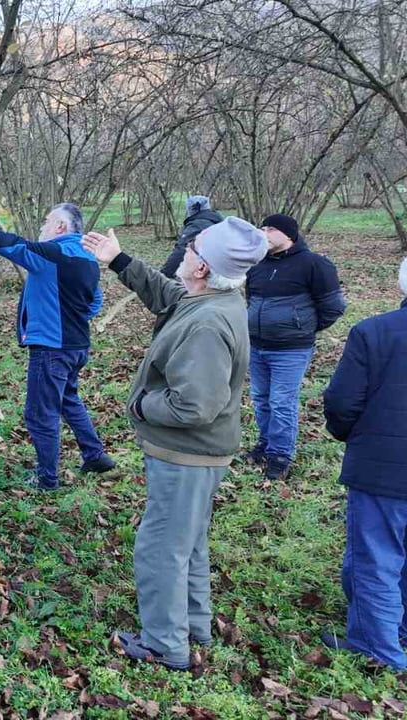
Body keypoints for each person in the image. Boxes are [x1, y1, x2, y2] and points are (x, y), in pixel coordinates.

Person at [82, 218, 268, 671]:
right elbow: (168, 296)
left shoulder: (207, 324)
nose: (185, 249)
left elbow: (195, 406)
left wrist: (144, 406)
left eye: (192, 248)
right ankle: (194, 624)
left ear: (202, 267)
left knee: (162, 545)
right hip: (200, 454)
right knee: (189, 540)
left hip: (189, 455)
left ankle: (166, 643)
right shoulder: (211, 298)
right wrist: (119, 260)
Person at [0, 203, 115, 490]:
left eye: (46, 222)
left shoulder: (53, 254)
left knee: (40, 413)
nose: (41, 227)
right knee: (67, 399)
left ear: (61, 226)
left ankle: (47, 478)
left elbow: (14, 246)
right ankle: (95, 455)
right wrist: (70, 315)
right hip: (77, 347)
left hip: (52, 349)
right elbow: (94, 303)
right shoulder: (87, 257)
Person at [319, 258, 407, 671]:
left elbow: (341, 401)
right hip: (385, 461)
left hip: (385, 467)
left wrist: (352, 435)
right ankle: (395, 629)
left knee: (376, 556)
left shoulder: (373, 332)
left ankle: (378, 648)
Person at [245, 213, 346, 480]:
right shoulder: (257, 264)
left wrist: (301, 328)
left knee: (281, 402)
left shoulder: (314, 265)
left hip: (290, 349)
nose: (263, 233)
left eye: (269, 228)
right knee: (261, 398)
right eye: (261, 227)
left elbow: (334, 307)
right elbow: (249, 302)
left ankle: (280, 455)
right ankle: (265, 445)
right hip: (256, 346)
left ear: (288, 234)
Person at [159, 196, 224, 279]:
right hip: (223, 273)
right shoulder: (218, 222)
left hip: (206, 277)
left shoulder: (197, 225)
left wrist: (164, 275)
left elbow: (181, 251)